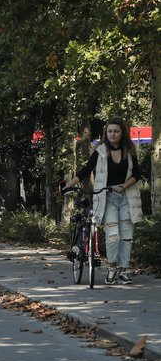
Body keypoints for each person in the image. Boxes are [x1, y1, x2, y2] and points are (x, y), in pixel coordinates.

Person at [61, 117, 143, 285]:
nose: (113, 134)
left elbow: (136, 173)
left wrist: (123, 186)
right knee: (113, 236)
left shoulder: (129, 150)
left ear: (122, 133)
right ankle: (112, 268)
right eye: (110, 131)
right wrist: (70, 184)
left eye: (116, 131)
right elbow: (86, 170)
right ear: (106, 133)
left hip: (126, 197)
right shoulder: (100, 151)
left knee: (126, 237)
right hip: (108, 198)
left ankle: (124, 271)